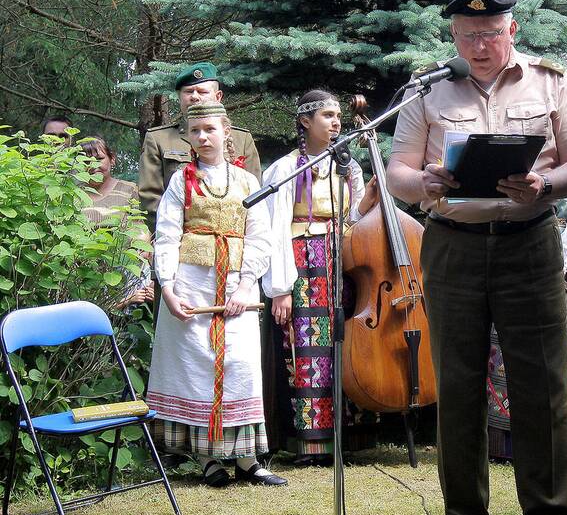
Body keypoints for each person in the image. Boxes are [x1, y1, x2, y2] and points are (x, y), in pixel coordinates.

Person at [386, 0, 567, 515]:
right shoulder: (428, 89)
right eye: (467, 35)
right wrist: (422, 182)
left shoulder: (551, 83)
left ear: (513, 30)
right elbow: (397, 168)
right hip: (453, 243)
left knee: (542, 382)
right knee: (457, 382)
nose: (479, 45)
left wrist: (544, 184)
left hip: (529, 243)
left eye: (490, 33)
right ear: (453, 36)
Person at [145, 101, 285, 487]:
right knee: (198, 367)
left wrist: (245, 284)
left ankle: (247, 460)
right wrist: (169, 289)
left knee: (239, 366)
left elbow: (260, 236)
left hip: (236, 282)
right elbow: (168, 234)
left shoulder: (247, 183)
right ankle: (208, 460)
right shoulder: (181, 182)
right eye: (195, 131)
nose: (203, 137)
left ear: (227, 132)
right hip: (192, 283)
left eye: (210, 129)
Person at [261, 90, 378, 463]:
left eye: (338, 115)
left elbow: (355, 222)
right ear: (305, 122)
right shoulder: (285, 170)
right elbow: (275, 228)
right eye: (327, 115)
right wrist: (279, 289)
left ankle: (350, 437)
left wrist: (368, 200)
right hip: (303, 263)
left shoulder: (350, 168)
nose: (336, 122)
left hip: (342, 261)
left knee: (345, 342)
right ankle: (309, 441)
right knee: (306, 348)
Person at [486, 195, 567, 459]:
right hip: (514, 255)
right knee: (502, 349)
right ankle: (504, 445)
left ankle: (562, 444)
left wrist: (557, 260)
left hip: (566, 262)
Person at [138, 62, 262, 232]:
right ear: (179, 97)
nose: (195, 97)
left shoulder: (241, 139)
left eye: (202, 91)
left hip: (233, 238)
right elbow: (149, 198)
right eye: (188, 92)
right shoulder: (159, 139)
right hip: (177, 237)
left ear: (218, 97)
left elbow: (254, 197)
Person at [80, 136, 155, 307]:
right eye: (86, 161)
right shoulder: (74, 194)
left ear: (112, 159)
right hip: (86, 269)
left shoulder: (128, 189)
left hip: (124, 265)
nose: (93, 166)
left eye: (99, 159)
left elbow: (140, 228)